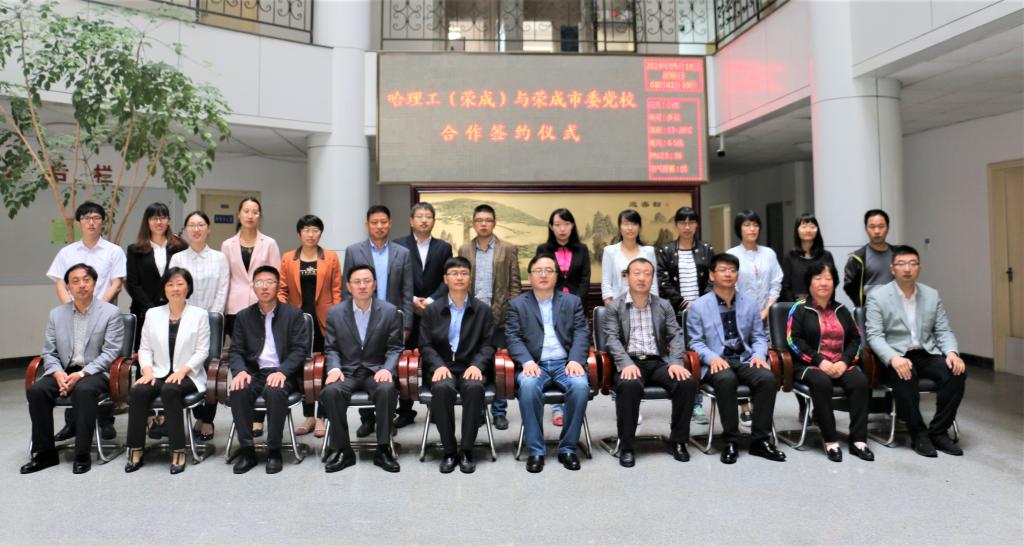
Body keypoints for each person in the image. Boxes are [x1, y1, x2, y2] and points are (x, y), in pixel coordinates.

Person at [21, 264, 124, 475]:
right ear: (68, 287)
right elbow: (49, 352)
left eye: (86, 280)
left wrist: (82, 374)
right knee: (37, 391)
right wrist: (58, 373)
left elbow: (111, 353)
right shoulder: (56, 314)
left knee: (83, 390)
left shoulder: (111, 313)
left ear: (94, 283)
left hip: (95, 372)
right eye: (75, 281)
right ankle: (45, 453)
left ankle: (82, 454)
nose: (81, 285)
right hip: (64, 370)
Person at [865, 245, 966, 458]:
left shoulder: (931, 295)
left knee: (956, 372)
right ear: (892, 269)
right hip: (895, 355)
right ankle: (918, 434)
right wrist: (893, 358)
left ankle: (939, 432)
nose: (907, 269)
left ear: (919, 268)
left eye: (912, 263)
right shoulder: (877, 296)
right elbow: (874, 336)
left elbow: (943, 330)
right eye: (901, 264)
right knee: (905, 376)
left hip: (925, 352)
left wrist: (952, 352)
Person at [686, 253, 785, 465]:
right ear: (712, 275)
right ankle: (731, 441)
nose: (728, 274)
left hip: (744, 359)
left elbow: (759, 337)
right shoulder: (699, 306)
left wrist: (758, 355)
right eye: (722, 270)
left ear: (737, 276)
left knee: (767, 379)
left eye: (732, 270)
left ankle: (760, 441)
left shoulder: (749, 303)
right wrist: (712, 358)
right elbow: (695, 342)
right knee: (726, 379)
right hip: (717, 361)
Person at [602, 257, 695, 468]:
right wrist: (626, 363)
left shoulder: (663, 305)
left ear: (652, 278)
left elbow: (676, 335)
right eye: (636, 273)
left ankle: (679, 441)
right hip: (630, 362)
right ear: (627, 277)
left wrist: (676, 361)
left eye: (647, 274)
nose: (642, 278)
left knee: (686, 383)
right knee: (629, 385)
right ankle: (626, 446)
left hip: (658, 361)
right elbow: (611, 339)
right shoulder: (615, 307)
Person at [45, 201, 125, 442]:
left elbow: (117, 283)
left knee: (101, 366)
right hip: (73, 315)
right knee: (71, 363)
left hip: (103, 316)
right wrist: (70, 308)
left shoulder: (113, 251)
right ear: (79, 222)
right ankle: (72, 423)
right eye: (87, 218)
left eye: (96, 217)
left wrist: (97, 307)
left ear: (102, 222)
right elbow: (60, 282)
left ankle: (105, 422)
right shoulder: (67, 252)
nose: (92, 222)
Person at [506, 254, 591, 473]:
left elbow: (582, 332)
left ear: (556, 276)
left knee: (580, 385)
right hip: (535, 364)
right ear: (530, 276)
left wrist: (575, 359)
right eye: (538, 271)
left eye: (549, 270)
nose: (543, 275)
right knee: (528, 385)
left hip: (565, 363)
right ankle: (536, 450)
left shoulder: (572, 302)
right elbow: (513, 337)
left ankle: (568, 448)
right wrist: (526, 361)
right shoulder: (517, 304)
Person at [124, 267, 211, 474]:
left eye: (180, 284)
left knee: (170, 390)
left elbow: (202, 351)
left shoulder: (199, 315)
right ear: (164, 288)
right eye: (170, 284)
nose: (175, 289)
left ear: (188, 287)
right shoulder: (153, 314)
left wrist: (182, 371)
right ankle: (135, 449)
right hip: (157, 372)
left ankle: (178, 450)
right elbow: (144, 348)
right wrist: (147, 372)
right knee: (138, 391)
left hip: (188, 375)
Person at [785, 261, 873, 462]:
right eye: (818, 278)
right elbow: (793, 340)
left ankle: (859, 440)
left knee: (860, 382)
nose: (823, 283)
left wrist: (844, 361)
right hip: (809, 365)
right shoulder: (799, 309)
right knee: (821, 382)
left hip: (841, 364)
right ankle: (831, 440)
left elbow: (856, 339)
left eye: (828, 278)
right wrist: (820, 361)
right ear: (809, 283)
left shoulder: (842, 309)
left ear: (834, 283)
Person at [319, 264, 403, 473]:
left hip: (376, 370)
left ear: (374, 284)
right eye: (357, 282)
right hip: (347, 371)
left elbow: (395, 348)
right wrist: (334, 369)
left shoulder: (389, 311)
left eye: (367, 281)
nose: (362, 286)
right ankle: (343, 450)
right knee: (331, 392)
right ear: (349, 286)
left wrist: (387, 369)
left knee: (386, 390)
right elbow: (331, 348)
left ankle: (383, 449)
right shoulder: (336, 313)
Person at [227, 266, 309, 474]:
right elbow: (235, 350)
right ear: (253, 287)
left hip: (283, 372)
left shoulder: (293, 314)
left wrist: (282, 372)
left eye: (270, 282)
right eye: (259, 283)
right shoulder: (243, 316)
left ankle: (274, 451)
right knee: (238, 390)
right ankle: (247, 451)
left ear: (278, 286)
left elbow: (300, 350)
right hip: (254, 372)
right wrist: (240, 371)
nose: (264, 287)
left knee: (275, 391)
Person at [342, 205, 414, 437]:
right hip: (361, 320)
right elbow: (346, 290)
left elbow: (407, 291)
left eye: (383, 222)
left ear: (390, 224)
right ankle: (367, 420)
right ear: (367, 225)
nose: (379, 226)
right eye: (374, 222)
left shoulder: (402, 253)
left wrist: (406, 325)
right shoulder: (354, 251)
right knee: (363, 367)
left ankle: (386, 419)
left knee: (388, 372)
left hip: (391, 322)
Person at [419, 257, 496, 474]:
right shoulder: (432, 310)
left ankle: (467, 450)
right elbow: (425, 344)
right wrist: (437, 365)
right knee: (442, 388)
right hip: (442, 367)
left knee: (474, 387)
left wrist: (478, 365)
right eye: (454, 273)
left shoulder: (483, 310)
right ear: (445, 279)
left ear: (470, 278)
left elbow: (489, 344)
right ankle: (449, 451)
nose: (459, 277)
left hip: (471, 366)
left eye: (464, 273)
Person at [222, 197, 281, 439]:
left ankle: (258, 419)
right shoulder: (227, 245)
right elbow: (225, 277)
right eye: (246, 211)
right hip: (235, 307)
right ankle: (245, 413)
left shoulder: (270, 243)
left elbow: (275, 276)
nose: (250, 215)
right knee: (243, 360)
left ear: (259, 216)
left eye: (255, 211)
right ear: (239, 214)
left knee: (262, 360)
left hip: (263, 306)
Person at [458, 204, 520, 430]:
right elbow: (460, 282)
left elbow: (515, 285)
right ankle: (478, 409)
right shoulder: (465, 249)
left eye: (487, 220)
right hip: (473, 317)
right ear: (473, 223)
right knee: (476, 363)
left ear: (494, 223)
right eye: (479, 220)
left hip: (500, 315)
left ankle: (499, 411)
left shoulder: (508, 249)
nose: (483, 224)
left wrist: (512, 313)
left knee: (499, 365)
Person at [278, 214, 342, 437]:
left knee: (323, 369)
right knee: (303, 370)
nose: (311, 234)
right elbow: (282, 290)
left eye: (315, 230)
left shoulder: (330, 257)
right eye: (306, 230)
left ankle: (323, 416)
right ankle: (309, 417)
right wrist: (284, 314)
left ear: (320, 233)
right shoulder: (288, 258)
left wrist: (336, 316)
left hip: (325, 321)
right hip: (298, 323)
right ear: (299, 233)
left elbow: (337, 290)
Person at [169, 210, 229, 441]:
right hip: (183, 321)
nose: (196, 229)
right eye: (192, 225)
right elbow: (174, 289)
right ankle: (196, 413)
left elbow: (223, 289)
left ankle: (207, 419)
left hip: (212, 320)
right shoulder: (177, 259)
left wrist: (212, 316)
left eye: (201, 224)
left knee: (211, 369)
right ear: (185, 230)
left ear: (208, 228)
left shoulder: (219, 258)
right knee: (188, 367)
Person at [392, 202, 453, 428]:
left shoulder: (443, 247)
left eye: (428, 216)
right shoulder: (398, 245)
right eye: (420, 216)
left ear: (433, 221)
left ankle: (435, 406)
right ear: (411, 221)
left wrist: (429, 301)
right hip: (407, 311)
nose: (424, 220)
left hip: (434, 311)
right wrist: (412, 300)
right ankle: (405, 410)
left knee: (433, 357)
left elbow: (447, 278)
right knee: (403, 361)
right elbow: (396, 278)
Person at [655, 206, 714, 425]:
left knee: (698, 356)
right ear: (676, 225)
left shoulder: (706, 249)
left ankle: (697, 403)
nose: (687, 227)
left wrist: (699, 305)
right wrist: (683, 303)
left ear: (697, 225)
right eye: (682, 222)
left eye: (691, 222)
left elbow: (713, 279)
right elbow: (662, 282)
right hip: (676, 313)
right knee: (679, 356)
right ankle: (683, 401)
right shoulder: (666, 250)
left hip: (702, 313)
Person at [535, 208, 591, 427]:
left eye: (566, 224)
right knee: (554, 350)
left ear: (572, 226)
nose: (562, 229)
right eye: (557, 224)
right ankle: (557, 408)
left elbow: (585, 279)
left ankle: (570, 404)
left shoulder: (582, 249)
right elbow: (542, 277)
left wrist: (575, 303)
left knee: (571, 352)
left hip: (575, 306)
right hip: (549, 305)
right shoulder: (543, 249)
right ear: (551, 227)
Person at [125, 202, 187, 351]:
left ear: (169, 220)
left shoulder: (180, 247)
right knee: (145, 354)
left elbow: (184, 280)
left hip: (175, 311)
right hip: (144, 312)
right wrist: (151, 310)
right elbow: (133, 283)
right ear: (147, 221)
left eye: (162, 218)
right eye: (154, 218)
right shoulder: (135, 250)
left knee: (174, 352)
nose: (159, 222)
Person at [844, 209, 895, 307]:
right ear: (866, 229)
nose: (877, 231)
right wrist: (862, 303)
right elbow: (849, 286)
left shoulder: (898, 255)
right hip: (869, 310)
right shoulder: (857, 257)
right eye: (872, 227)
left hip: (895, 309)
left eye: (881, 226)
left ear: (888, 228)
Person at [781, 213, 836, 303]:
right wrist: (794, 307)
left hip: (822, 305)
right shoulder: (790, 257)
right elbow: (785, 287)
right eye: (804, 227)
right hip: (797, 305)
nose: (808, 230)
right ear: (797, 231)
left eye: (812, 227)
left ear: (817, 230)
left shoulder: (826, 256)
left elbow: (832, 283)